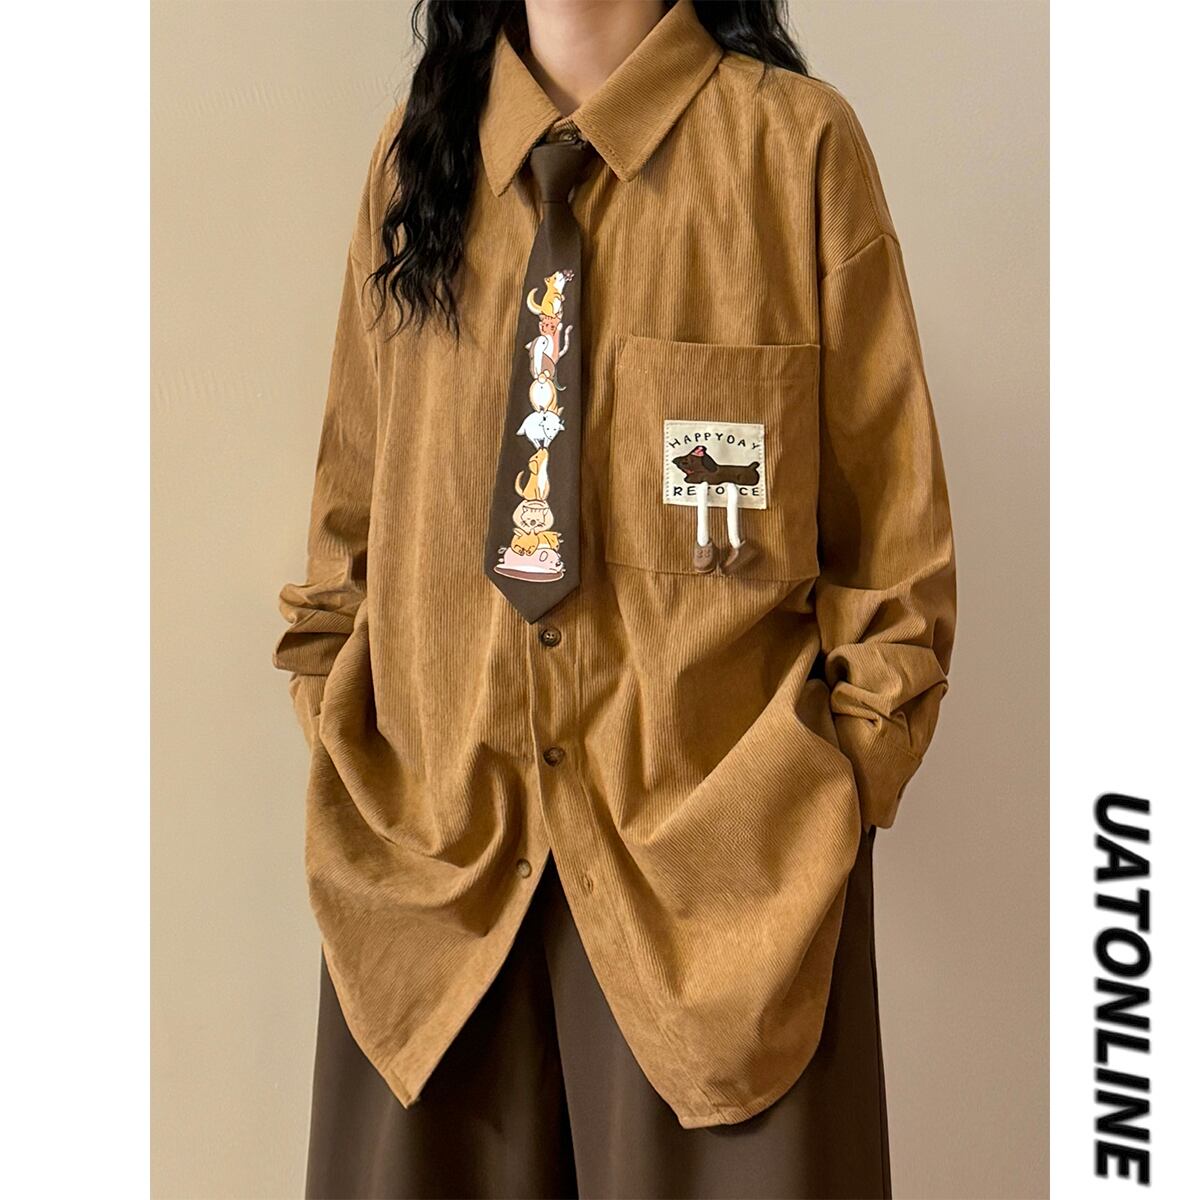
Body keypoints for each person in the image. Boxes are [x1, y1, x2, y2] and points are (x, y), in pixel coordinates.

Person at [271, 1, 956, 1196]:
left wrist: (830, 796)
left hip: (728, 910)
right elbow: (351, 528)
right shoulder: (413, 161)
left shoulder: (795, 152)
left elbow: (892, 549)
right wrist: (351, 739)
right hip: (432, 892)